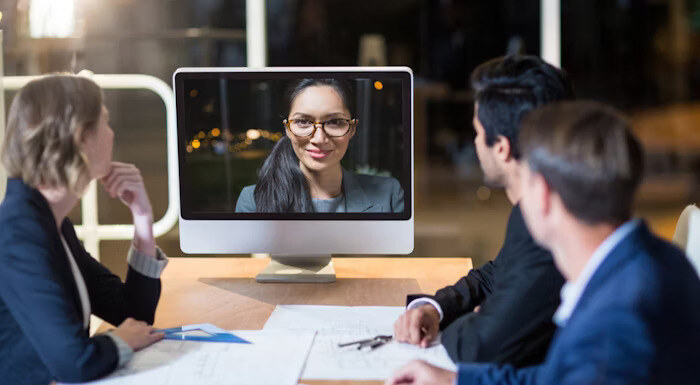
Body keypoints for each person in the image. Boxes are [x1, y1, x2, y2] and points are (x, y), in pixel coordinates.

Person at [386, 101, 700, 385]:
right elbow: (556, 378)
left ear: (545, 196)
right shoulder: (659, 259)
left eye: (525, 181)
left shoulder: (612, 322)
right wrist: (456, 380)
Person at [394, 55, 571, 367]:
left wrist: (476, 321)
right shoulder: (538, 206)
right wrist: (435, 308)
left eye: (477, 132)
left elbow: (480, 348)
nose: (475, 142)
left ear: (501, 147)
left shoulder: (552, 231)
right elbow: (495, 274)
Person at [0, 74, 169, 383]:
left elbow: (132, 315)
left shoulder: (51, 223)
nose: (111, 133)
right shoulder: (18, 233)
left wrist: (142, 217)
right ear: (81, 137)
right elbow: (74, 363)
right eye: (104, 123)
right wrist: (123, 340)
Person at [235, 79, 404, 213]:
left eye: (334, 122)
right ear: (287, 128)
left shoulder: (388, 194)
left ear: (352, 128)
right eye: (303, 122)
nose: (319, 138)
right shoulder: (253, 200)